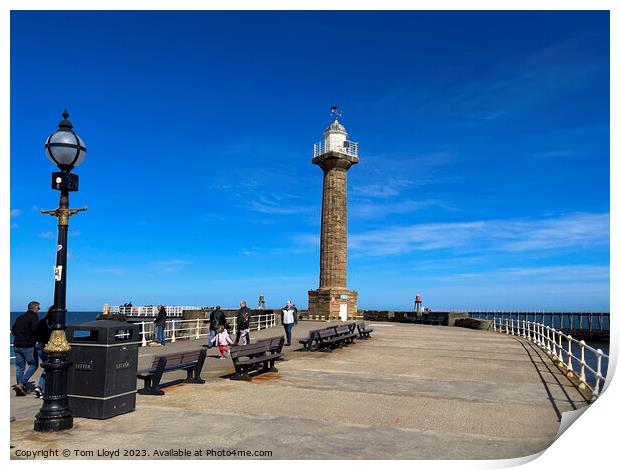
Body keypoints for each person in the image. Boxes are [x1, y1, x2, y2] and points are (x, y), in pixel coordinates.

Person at [11, 301, 41, 396]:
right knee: (34, 365)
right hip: (28, 345)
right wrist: (35, 339)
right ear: (34, 308)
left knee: (20, 367)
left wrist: (20, 337)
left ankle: (20, 388)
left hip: (17, 345)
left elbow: (14, 330)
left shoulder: (20, 317)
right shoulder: (34, 317)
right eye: (38, 308)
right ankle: (22, 383)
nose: (39, 310)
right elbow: (34, 330)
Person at [34, 307, 53, 398]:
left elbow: (36, 333)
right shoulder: (54, 323)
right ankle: (42, 388)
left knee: (46, 367)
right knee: (48, 367)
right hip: (47, 347)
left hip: (39, 346)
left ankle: (40, 387)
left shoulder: (42, 321)